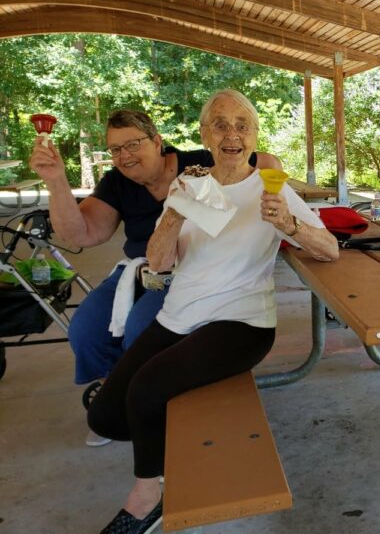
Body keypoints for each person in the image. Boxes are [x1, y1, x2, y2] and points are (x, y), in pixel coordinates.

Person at [87, 89, 339, 534]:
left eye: (243, 125)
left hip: (242, 322)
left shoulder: (272, 187)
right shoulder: (188, 184)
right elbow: (160, 262)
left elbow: (329, 251)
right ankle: (174, 433)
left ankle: (148, 499)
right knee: (104, 416)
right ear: (204, 134)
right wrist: (176, 213)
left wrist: (289, 225)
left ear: (256, 136)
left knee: (145, 390)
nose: (231, 134)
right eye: (219, 124)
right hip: (180, 315)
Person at [29, 105, 282, 447]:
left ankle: (154, 409)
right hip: (141, 268)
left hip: (189, 269)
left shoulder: (197, 161)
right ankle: (118, 396)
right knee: (86, 328)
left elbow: (261, 159)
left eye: (133, 144)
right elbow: (81, 235)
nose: (124, 156)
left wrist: (270, 182)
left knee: (142, 329)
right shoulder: (117, 183)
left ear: (157, 141)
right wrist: (56, 181)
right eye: (116, 149)